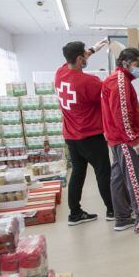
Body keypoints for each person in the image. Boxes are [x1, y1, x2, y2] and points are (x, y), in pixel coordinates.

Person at [54, 40, 114, 226]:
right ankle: (113, 210)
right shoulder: (89, 82)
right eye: (84, 55)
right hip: (91, 136)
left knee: (78, 173)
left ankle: (75, 213)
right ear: (80, 59)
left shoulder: (60, 73)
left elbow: (77, 59)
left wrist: (94, 50)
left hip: (71, 136)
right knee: (103, 173)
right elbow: (110, 91)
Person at [101, 47, 139, 234]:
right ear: (125, 63)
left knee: (118, 177)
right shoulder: (120, 83)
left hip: (116, 139)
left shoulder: (117, 80)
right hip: (124, 140)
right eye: (137, 65)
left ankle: (122, 217)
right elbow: (122, 115)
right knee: (136, 179)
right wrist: (133, 140)